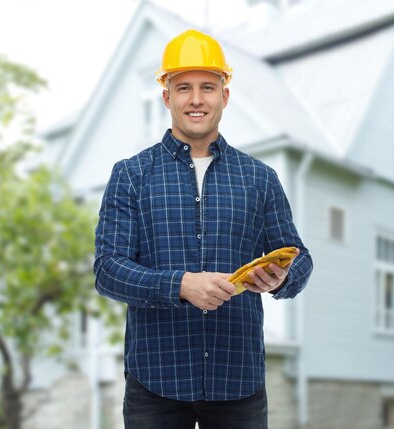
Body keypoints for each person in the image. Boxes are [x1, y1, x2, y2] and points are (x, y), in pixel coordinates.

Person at [93, 28, 313, 429]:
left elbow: (300, 258)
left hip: (238, 380)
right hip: (155, 380)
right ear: (167, 96)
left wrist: (281, 277)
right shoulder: (131, 175)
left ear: (224, 96)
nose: (196, 100)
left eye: (208, 87)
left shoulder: (259, 178)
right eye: (184, 88)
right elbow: (108, 270)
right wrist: (180, 285)